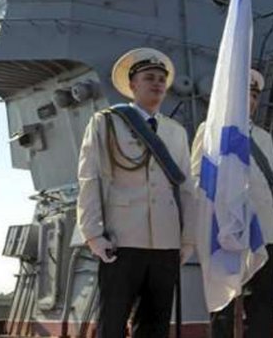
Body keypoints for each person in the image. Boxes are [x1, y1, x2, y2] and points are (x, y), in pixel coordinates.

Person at [76, 48, 197, 338]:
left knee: (156, 325)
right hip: (122, 239)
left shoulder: (176, 132)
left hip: (166, 242)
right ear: (132, 85)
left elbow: (186, 188)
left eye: (161, 79)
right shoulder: (106, 122)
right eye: (149, 77)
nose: (157, 83)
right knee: (112, 323)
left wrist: (188, 238)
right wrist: (93, 235)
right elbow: (90, 178)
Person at [200, 69, 273, 338]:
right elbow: (199, 183)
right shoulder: (210, 130)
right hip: (226, 231)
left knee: (261, 307)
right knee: (224, 304)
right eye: (244, 95)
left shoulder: (263, 137)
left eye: (253, 96)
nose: (249, 101)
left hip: (264, 231)